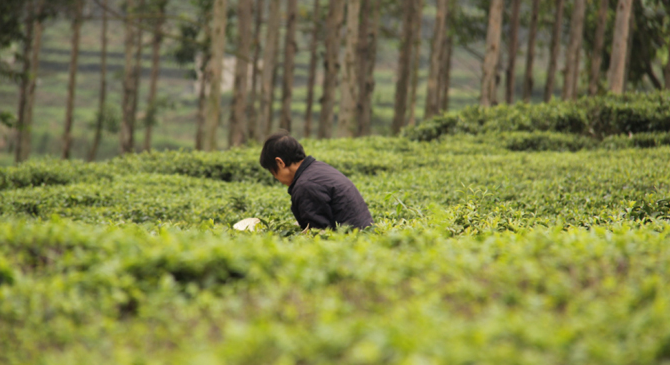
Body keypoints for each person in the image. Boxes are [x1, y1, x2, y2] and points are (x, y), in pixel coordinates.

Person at [259, 131, 374, 230]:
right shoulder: (318, 168)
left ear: (280, 163)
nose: (277, 179)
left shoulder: (306, 185)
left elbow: (318, 234)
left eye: (273, 173)